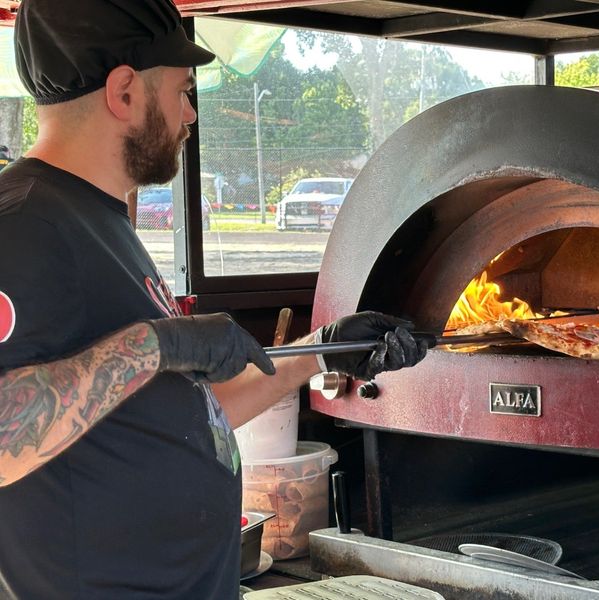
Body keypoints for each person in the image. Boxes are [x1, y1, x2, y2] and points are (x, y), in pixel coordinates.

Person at [0, 1, 428, 598]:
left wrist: (323, 352)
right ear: (124, 92)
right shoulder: (23, 226)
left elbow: (176, 417)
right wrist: (157, 343)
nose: (191, 113)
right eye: (182, 90)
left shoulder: (100, 220)